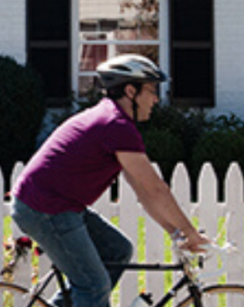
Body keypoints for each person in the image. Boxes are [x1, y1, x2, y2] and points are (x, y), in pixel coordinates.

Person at [11, 54, 210, 307]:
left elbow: (144, 192)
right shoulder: (115, 125)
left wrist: (175, 231)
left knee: (117, 250)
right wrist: (190, 232)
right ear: (130, 91)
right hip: (46, 208)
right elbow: (156, 188)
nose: (157, 99)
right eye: (151, 90)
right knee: (94, 286)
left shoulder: (113, 120)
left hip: (56, 204)